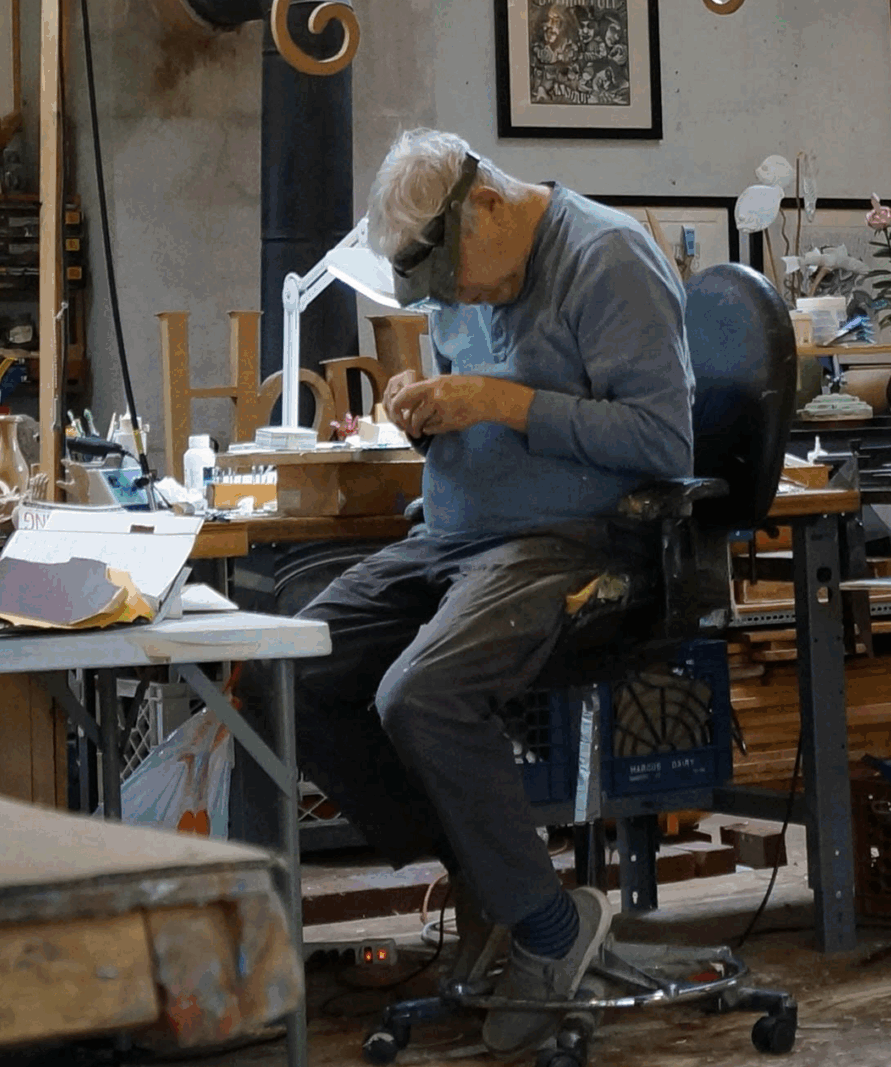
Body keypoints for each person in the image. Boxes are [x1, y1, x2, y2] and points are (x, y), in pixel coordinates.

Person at [293, 129, 694, 1056]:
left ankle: (546, 930)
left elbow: (664, 443)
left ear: (486, 203)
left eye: (454, 283)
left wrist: (499, 402)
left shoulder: (607, 258)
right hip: (450, 536)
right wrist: (428, 410)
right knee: (290, 670)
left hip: (570, 541)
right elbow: (474, 396)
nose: (456, 303)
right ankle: (494, 879)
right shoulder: (465, 273)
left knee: (421, 694)